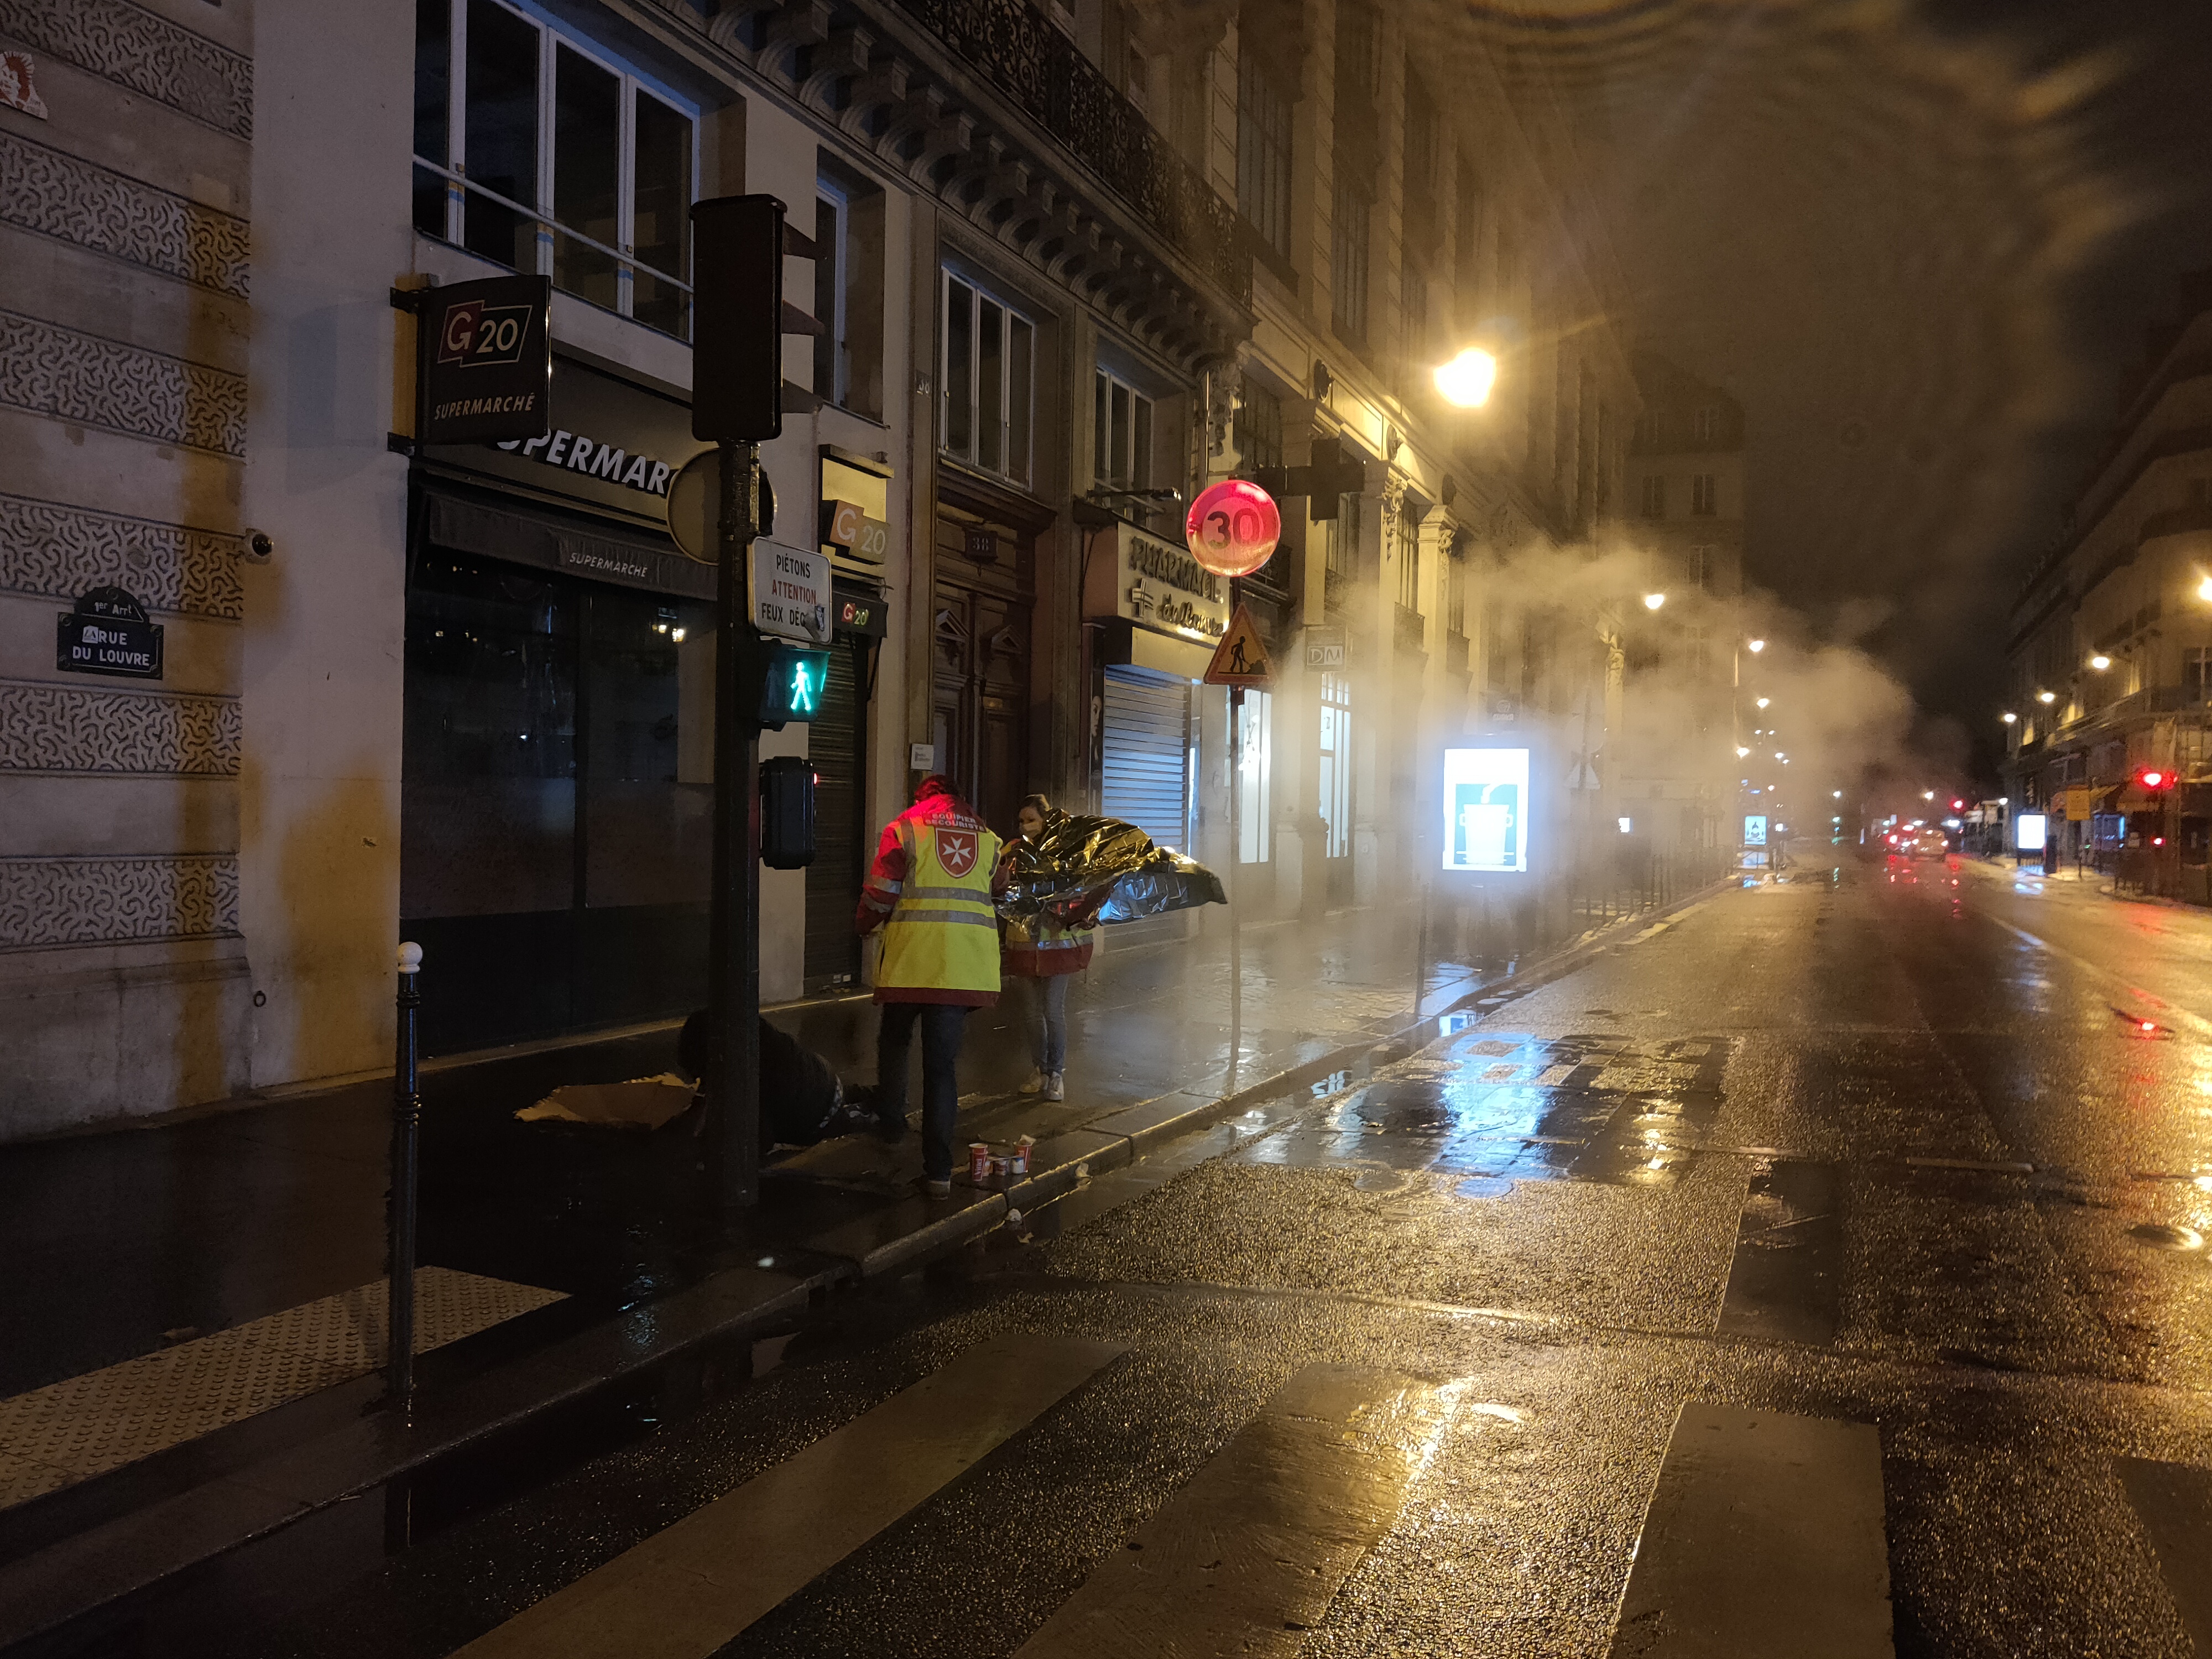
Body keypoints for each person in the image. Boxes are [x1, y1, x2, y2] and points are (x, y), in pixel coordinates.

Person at [855, 774, 1008, 1197]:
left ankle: (891, 1124)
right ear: (959, 798)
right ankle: (939, 1173)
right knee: (942, 1071)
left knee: (896, 1040)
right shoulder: (990, 839)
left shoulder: (904, 828)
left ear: (923, 797)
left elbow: (880, 893)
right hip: (960, 970)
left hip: (911, 964)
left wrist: (863, 924)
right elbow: (999, 889)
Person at [1001, 794, 1095, 1102]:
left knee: (1053, 1011)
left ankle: (1056, 1073)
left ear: (1046, 821)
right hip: (1024, 946)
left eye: (1031, 820)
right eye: (1021, 820)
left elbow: (1085, 890)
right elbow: (997, 883)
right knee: (1031, 1014)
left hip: (1059, 948)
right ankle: (1038, 1069)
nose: (1025, 826)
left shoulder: (1066, 852)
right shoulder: (1012, 852)